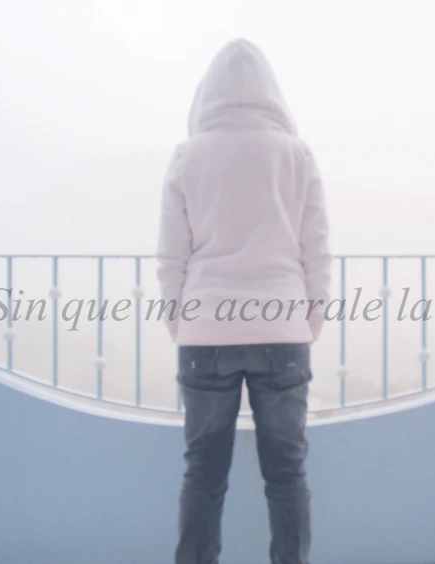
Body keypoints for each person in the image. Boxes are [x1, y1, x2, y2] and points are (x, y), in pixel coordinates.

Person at [155, 37, 332, 564]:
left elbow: (171, 259)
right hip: (284, 333)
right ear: (272, 94)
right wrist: (309, 322)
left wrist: (183, 327)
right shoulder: (297, 156)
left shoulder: (188, 157)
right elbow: (316, 253)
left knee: (203, 478)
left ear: (207, 94)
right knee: (288, 477)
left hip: (204, 334)